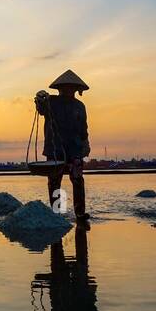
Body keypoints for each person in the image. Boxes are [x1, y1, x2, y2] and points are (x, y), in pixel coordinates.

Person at [35, 69, 91, 222]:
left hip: (75, 150)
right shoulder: (51, 102)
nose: (68, 91)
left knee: (78, 180)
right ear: (59, 89)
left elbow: (83, 128)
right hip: (55, 150)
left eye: (71, 88)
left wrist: (86, 143)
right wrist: (40, 99)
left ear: (76, 89)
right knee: (54, 182)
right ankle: (57, 213)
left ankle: (80, 213)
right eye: (65, 88)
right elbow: (41, 108)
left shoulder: (80, 106)